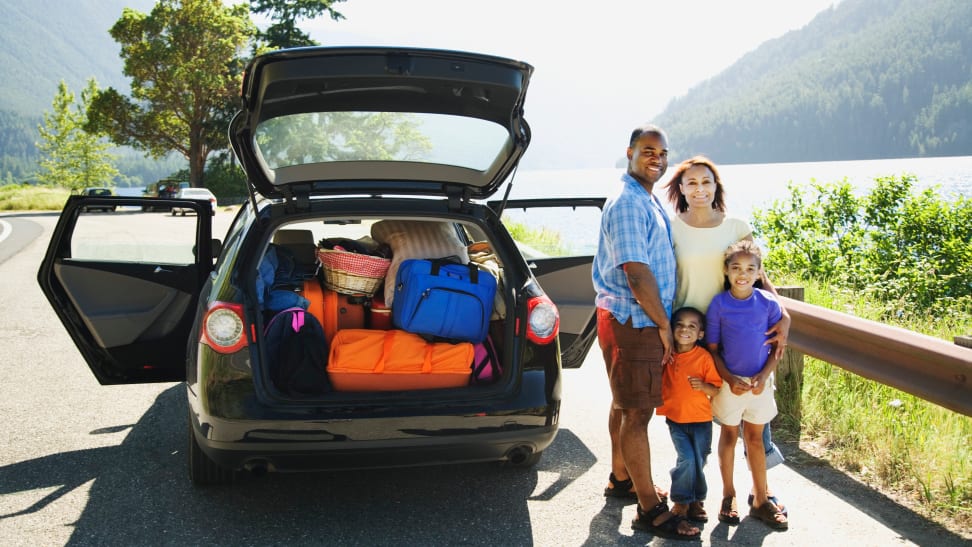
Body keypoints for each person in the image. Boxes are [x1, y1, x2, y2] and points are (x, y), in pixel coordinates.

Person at [664, 155, 790, 518]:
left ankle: (761, 494)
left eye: (707, 182)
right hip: (691, 333)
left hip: (737, 331)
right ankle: (697, 493)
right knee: (698, 419)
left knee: (754, 419)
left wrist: (785, 313)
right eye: (692, 183)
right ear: (681, 189)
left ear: (716, 186)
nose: (700, 189)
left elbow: (759, 276)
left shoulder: (735, 225)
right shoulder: (672, 228)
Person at [593, 123, 699, 540]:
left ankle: (622, 478)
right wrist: (663, 326)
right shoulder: (628, 204)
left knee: (624, 403)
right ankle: (650, 509)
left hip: (630, 319)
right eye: (648, 151)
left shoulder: (645, 199)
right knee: (637, 413)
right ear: (630, 152)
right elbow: (636, 275)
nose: (657, 158)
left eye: (662, 153)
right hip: (634, 320)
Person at [706, 240, 788, 531]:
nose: (742, 274)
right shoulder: (719, 304)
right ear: (726, 271)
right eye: (736, 268)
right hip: (731, 384)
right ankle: (728, 495)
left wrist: (764, 377)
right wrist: (729, 379)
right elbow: (713, 348)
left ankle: (761, 499)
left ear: (759, 273)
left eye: (750, 269)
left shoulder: (768, 303)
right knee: (728, 436)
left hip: (759, 384)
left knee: (755, 438)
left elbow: (776, 349)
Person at [655, 307, 722, 524]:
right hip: (676, 419)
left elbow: (716, 388)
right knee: (687, 459)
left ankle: (696, 501)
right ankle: (682, 501)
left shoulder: (703, 358)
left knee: (699, 461)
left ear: (701, 334)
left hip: (701, 420)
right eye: (680, 325)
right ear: (672, 329)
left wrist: (703, 386)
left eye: (692, 326)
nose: (685, 329)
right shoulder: (668, 353)